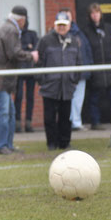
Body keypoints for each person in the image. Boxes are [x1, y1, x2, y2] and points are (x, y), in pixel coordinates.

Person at [0, 6, 38, 155]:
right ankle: (1, 145)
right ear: (22, 19)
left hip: (2, 79)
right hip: (0, 79)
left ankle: (7, 144)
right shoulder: (11, 30)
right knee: (3, 113)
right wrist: (31, 56)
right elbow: (14, 53)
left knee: (10, 113)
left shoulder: (6, 27)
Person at [36, 12, 81, 151]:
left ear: (69, 26)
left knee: (65, 117)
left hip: (67, 87)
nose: (62, 28)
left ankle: (65, 143)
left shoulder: (74, 41)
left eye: (64, 25)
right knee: (49, 118)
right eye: (59, 25)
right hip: (50, 86)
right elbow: (39, 63)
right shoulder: (45, 40)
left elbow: (79, 64)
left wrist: (74, 80)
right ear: (55, 25)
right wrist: (43, 81)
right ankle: (51, 143)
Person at [82, 3, 111, 131]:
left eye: (97, 12)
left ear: (101, 14)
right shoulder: (86, 31)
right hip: (95, 70)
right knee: (94, 98)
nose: (95, 15)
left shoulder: (109, 29)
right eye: (92, 13)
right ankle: (95, 122)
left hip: (110, 69)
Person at [59, 8, 93, 132]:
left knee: (78, 98)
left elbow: (86, 50)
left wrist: (88, 66)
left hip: (81, 72)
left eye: (69, 16)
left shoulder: (79, 33)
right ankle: (70, 122)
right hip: (67, 74)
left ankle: (76, 121)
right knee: (67, 99)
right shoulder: (58, 34)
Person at [14, 20, 38, 133]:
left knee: (30, 97)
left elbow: (35, 49)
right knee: (18, 97)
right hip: (19, 69)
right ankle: (17, 122)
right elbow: (17, 51)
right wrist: (27, 47)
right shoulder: (16, 34)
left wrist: (27, 49)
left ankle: (28, 122)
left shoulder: (32, 34)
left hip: (30, 69)